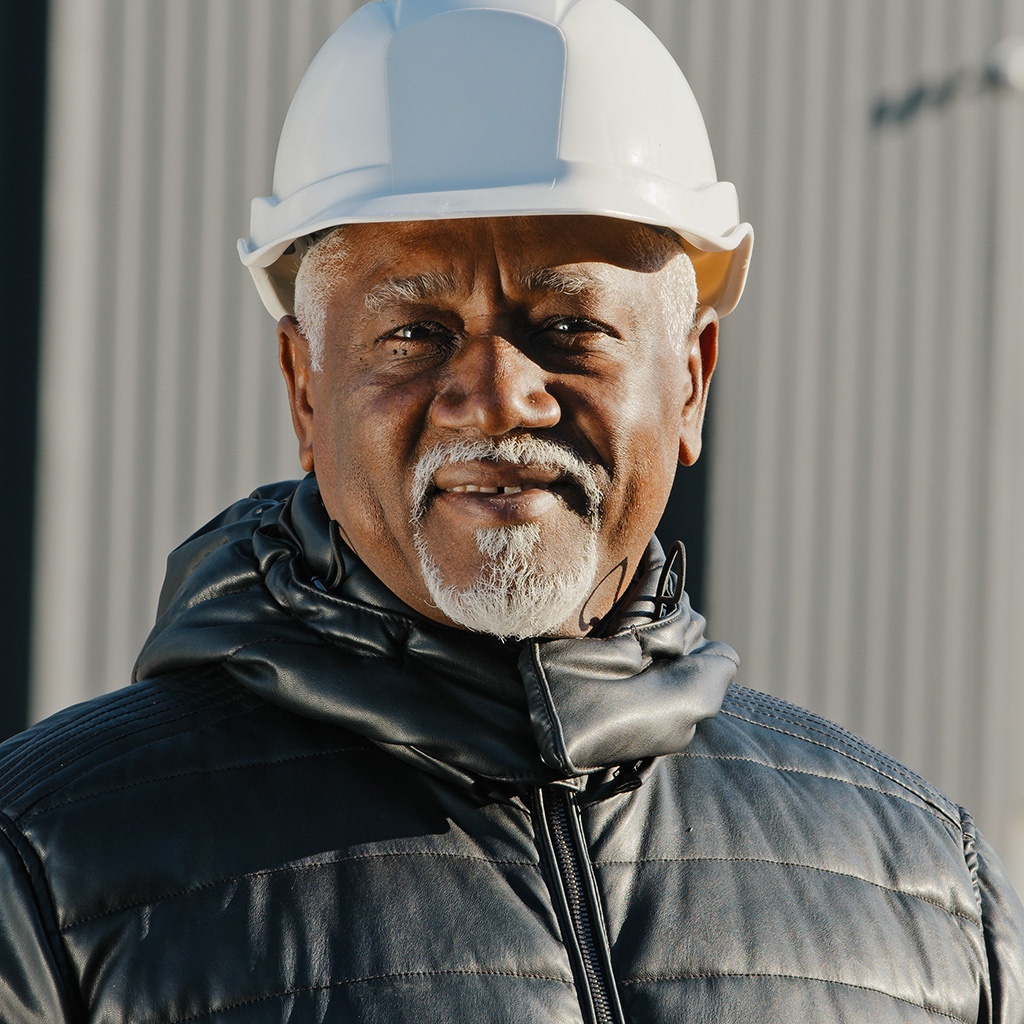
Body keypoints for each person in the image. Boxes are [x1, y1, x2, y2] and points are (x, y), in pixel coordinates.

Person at [1, 0, 1021, 1020]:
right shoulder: (46, 876)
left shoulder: (929, 902)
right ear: (304, 388)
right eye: (414, 331)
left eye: (570, 324)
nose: (496, 394)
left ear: (692, 382)